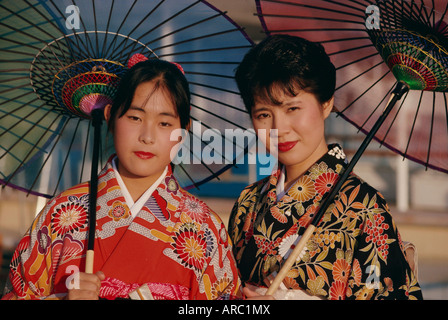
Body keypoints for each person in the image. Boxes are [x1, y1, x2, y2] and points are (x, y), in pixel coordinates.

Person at [2, 58, 242, 300]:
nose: (147, 136)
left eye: (164, 123)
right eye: (135, 118)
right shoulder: (61, 214)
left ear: (183, 131)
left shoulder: (205, 229)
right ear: (110, 116)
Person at [228, 34, 423, 300]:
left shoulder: (364, 206)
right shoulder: (248, 203)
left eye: (292, 108)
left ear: (326, 103)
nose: (279, 129)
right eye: (263, 114)